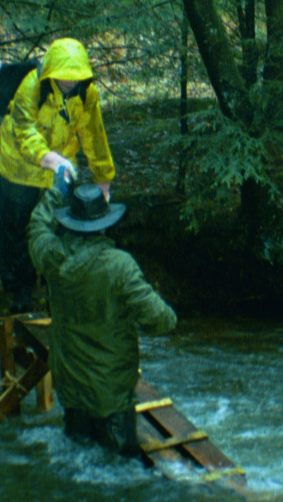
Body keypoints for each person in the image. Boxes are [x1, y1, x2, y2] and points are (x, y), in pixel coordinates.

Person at [28, 181, 176, 457]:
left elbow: (36, 228)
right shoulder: (119, 266)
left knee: (81, 467)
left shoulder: (52, 256)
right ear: (106, 224)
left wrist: (55, 191)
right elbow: (163, 320)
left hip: (71, 393)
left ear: (70, 222)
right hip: (112, 400)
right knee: (120, 477)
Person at [0, 37, 114, 313]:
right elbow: (24, 131)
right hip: (20, 165)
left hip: (61, 164)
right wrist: (49, 159)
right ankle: (20, 292)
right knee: (17, 227)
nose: (69, 83)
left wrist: (104, 178)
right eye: (64, 78)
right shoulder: (31, 88)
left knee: (61, 225)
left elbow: (94, 135)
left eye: (75, 78)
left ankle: (57, 290)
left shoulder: (87, 93)